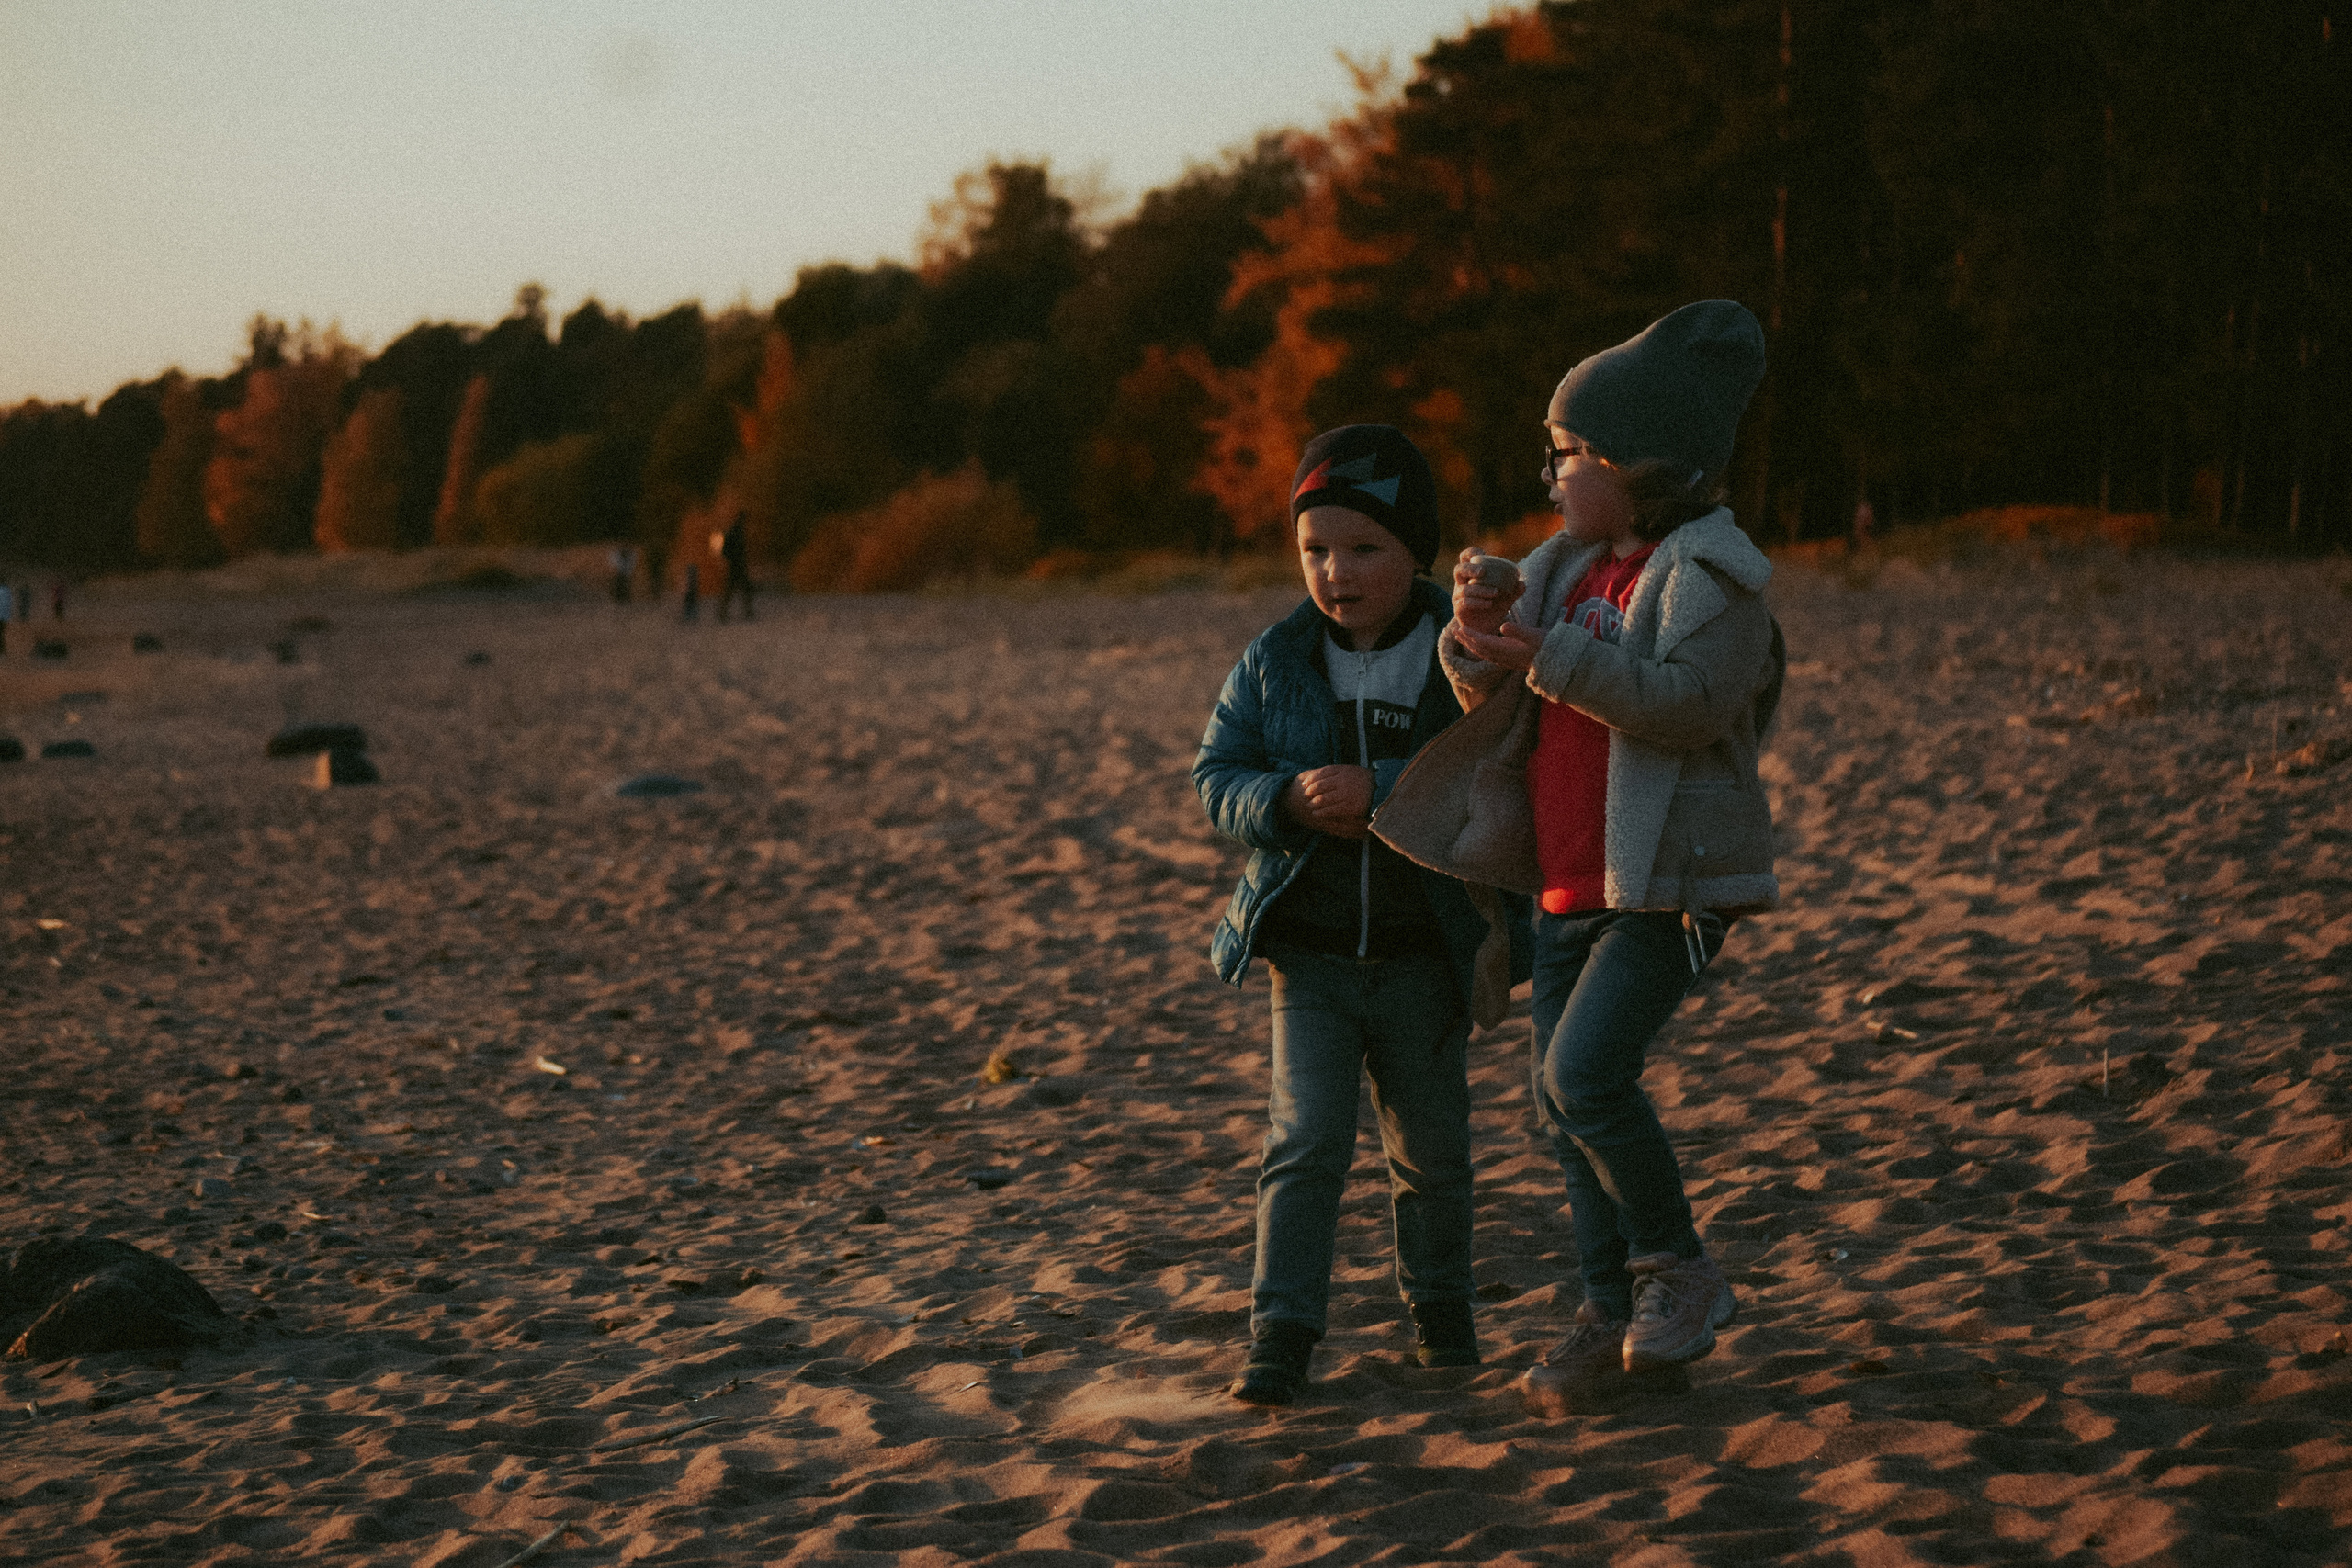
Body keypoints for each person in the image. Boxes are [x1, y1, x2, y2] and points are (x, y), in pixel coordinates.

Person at [1375, 301, 1786, 1393]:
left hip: (1669, 885)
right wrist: (1479, 637)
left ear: (1635, 464)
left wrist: (1547, 653)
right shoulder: (1562, 569)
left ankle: (1678, 1270)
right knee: (1562, 1111)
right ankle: (1610, 1314)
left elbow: (1687, 706)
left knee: (1585, 1075)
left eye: (1566, 453)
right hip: (1567, 882)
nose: (1551, 476)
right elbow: (1507, 699)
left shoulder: (1712, 577)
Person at [1193, 425, 1526, 1406]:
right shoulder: (1275, 658)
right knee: (1303, 1146)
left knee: (1434, 1156)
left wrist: (1382, 785)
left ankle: (1443, 1322)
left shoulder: (1460, 651)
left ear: (1415, 549)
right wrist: (1283, 801)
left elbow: (1494, 768)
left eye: (1364, 547)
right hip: (1311, 957)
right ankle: (1281, 1336)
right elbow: (1216, 775)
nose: (1336, 572)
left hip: (1428, 954)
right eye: (1315, 549)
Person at [717, 513, 754, 623]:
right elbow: (728, 551)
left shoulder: (733, 532)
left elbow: (724, 551)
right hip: (737, 565)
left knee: (733, 589)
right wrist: (736, 557)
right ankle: (746, 611)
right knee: (740, 589)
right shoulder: (737, 533)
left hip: (735, 565)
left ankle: (723, 612)